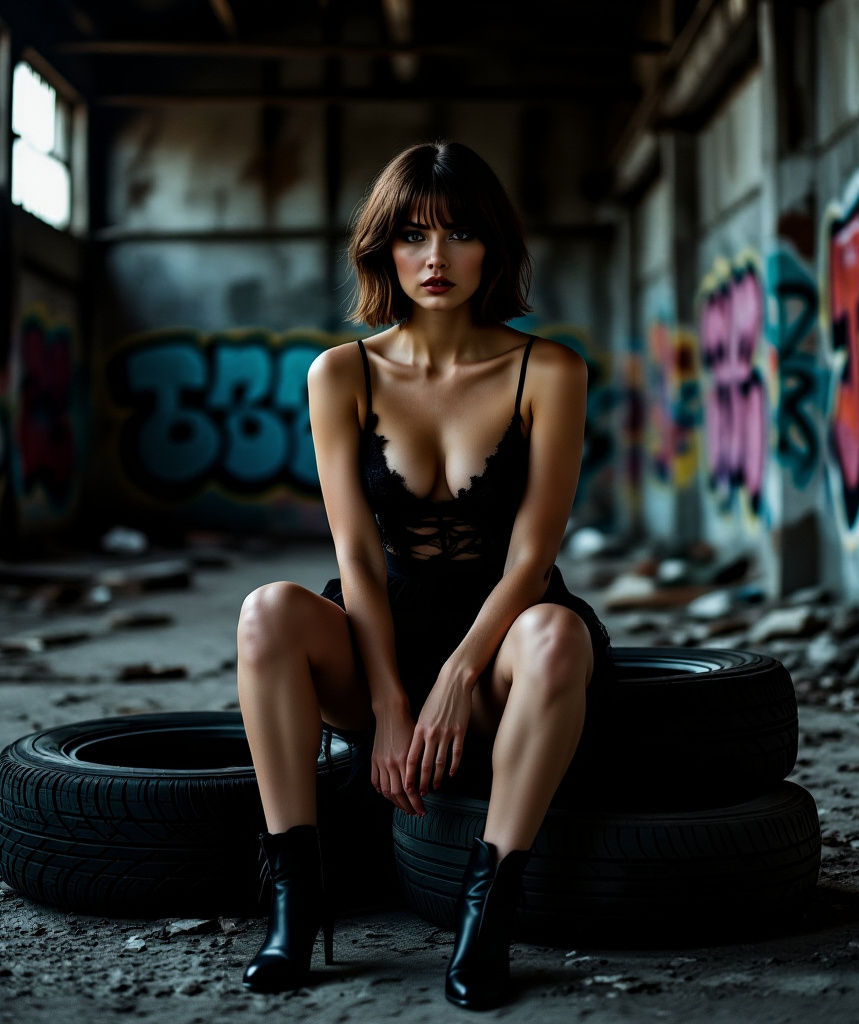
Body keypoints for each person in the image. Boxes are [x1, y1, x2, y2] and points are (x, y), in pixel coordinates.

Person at [236, 140, 611, 1010]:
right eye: (412, 235)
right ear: (384, 250)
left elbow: (532, 557)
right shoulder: (341, 373)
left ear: (494, 248)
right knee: (267, 612)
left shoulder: (549, 370)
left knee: (558, 636)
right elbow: (357, 555)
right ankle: (296, 901)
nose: (435, 258)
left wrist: (456, 675)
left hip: (504, 642)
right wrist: (391, 701)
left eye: (459, 234)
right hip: (385, 634)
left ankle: (488, 911)